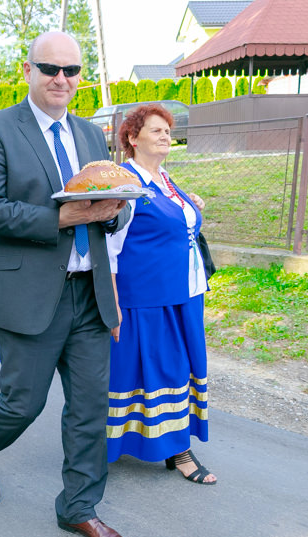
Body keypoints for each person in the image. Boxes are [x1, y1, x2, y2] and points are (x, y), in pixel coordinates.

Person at [0, 31, 131, 537]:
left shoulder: (90, 134)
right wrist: (60, 217)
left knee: (89, 408)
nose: (62, 79)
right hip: (29, 291)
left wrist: (115, 207)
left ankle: (78, 508)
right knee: (22, 403)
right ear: (29, 70)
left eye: (71, 71)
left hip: (90, 292)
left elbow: (105, 205)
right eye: (50, 69)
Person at [106, 104, 216, 485]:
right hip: (147, 300)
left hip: (185, 294)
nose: (166, 136)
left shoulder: (166, 180)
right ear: (132, 139)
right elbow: (111, 250)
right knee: (153, 372)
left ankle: (173, 443)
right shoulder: (126, 184)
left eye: (168, 131)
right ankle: (177, 450)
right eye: (156, 131)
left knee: (183, 369)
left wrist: (190, 206)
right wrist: (114, 305)